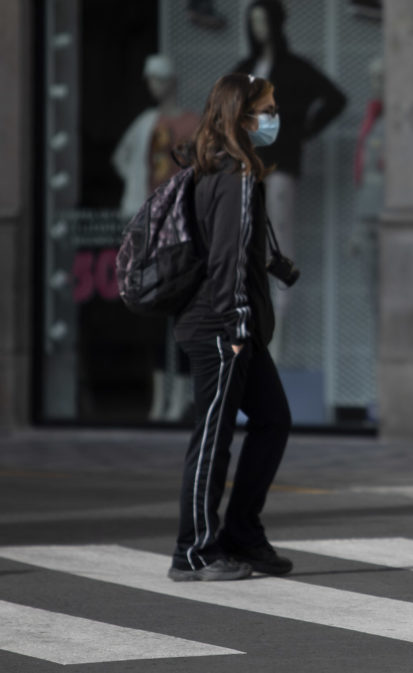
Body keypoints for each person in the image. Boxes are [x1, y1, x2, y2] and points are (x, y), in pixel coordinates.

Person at [167, 73, 293, 581]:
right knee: (213, 437)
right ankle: (192, 551)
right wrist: (236, 330)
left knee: (272, 419)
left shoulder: (217, 167)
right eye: (267, 108)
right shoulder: (234, 172)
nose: (274, 115)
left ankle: (242, 532)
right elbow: (226, 261)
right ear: (242, 117)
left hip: (230, 322)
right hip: (224, 326)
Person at [233, 0, 347, 358]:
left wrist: (304, 131)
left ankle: (277, 339)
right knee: (246, 242)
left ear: (276, 24)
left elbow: (334, 99)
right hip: (250, 168)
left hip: (280, 165)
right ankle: (252, 327)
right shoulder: (246, 70)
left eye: (264, 22)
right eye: (254, 23)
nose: (260, 29)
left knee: (279, 242)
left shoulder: (293, 69)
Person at [112, 53, 200, 423]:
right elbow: (123, 158)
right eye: (151, 80)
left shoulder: (192, 123)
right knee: (152, 307)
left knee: (180, 309)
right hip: (152, 223)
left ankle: (180, 396)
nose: (154, 87)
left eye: (159, 80)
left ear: (172, 81)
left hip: (181, 224)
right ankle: (160, 397)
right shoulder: (146, 123)